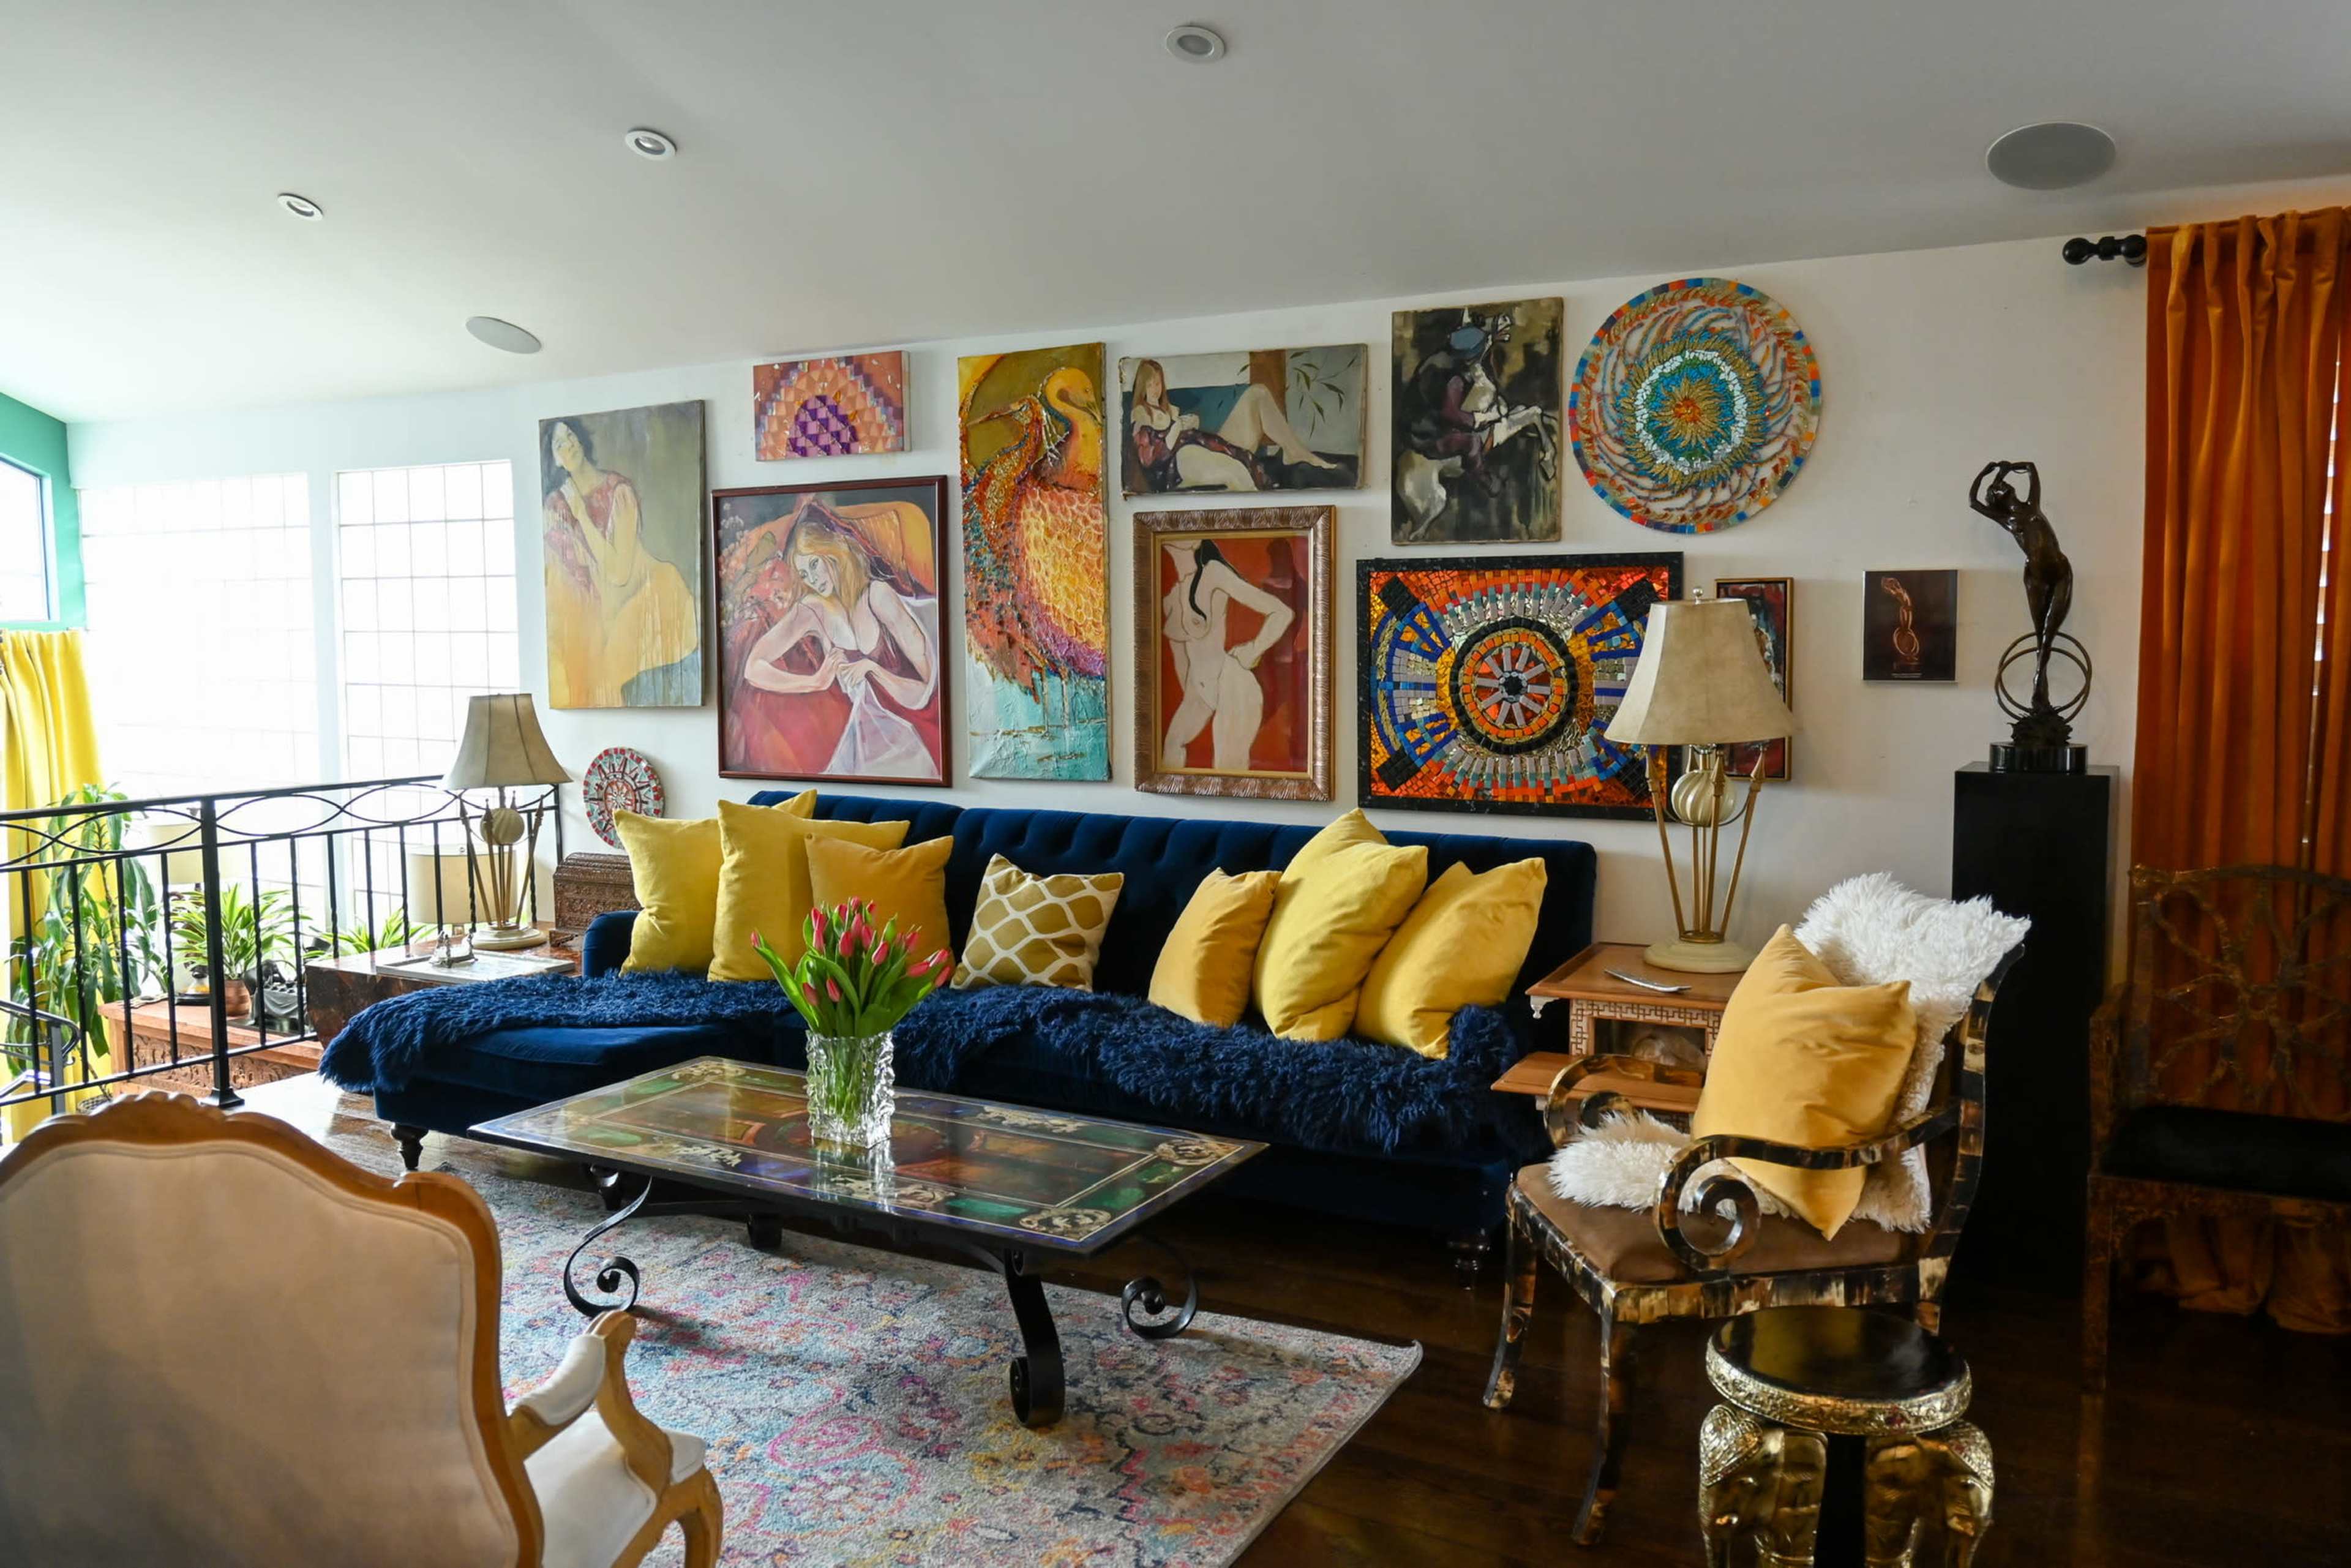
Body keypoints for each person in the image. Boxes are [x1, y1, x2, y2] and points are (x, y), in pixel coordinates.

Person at [740, 502, 939, 780]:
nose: (813, 580)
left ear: (833, 552)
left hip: (923, 727)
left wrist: (872, 669)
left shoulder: (878, 597)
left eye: (815, 564)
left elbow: (924, 694)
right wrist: (813, 682)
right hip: (873, 739)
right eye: (804, 574)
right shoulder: (813, 610)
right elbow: (753, 668)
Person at [541, 419, 698, 706]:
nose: (570, 444)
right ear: (555, 459)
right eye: (560, 443)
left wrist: (581, 515)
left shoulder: (618, 491)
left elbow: (618, 573)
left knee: (610, 675)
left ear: (581, 438)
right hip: (603, 614)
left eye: (571, 435)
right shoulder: (555, 505)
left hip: (649, 595)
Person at [1160, 538, 1295, 771]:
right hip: (1201, 690)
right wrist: (1199, 689)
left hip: (1235, 687)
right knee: (1171, 747)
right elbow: (1182, 660)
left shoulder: (1213, 573)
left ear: (1195, 543)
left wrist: (1252, 650)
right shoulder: (1173, 598)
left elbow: (1281, 612)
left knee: (1227, 771)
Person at [1128, 359, 1338, 492]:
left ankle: (1295, 451)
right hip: (1179, 461)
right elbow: (1159, 452)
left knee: (1259, 392)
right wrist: (1178, 425)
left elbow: (1180, 430)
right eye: (1149, 384)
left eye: (1158, 383)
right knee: (1236, 471)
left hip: (1202, 442)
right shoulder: (1140, 412)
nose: (1155, 389)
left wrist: (1188, 422)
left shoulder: (1169, 408)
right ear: (1142, 386)